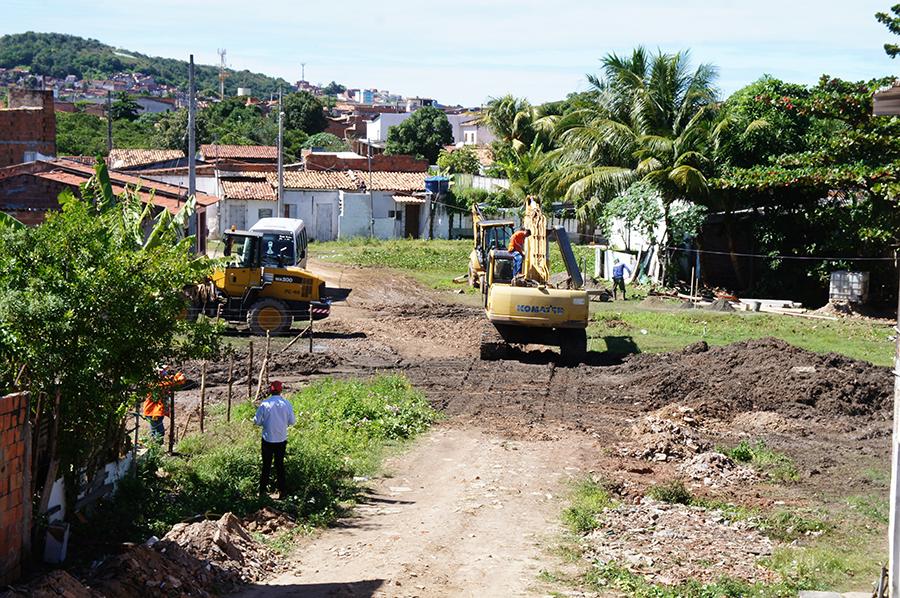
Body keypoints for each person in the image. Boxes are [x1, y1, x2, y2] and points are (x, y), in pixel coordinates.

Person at [254, 380, 296, 499]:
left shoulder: (265, 404)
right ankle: (282, 492)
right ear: (280, 390)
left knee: (266, 466)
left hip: (267, 439)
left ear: (270, 391)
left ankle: (262, 492)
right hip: (281, 439)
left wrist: (264, 423)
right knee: (280, 466)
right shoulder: (286, 404)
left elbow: (257, 421)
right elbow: (292, 421)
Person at [141, 365, 185, 442]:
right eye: (162, 371)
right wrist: (177, 380)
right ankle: (156, 446)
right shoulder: (153, 382)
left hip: (158, 411)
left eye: (164, 370)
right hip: (152, 412)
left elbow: (171, 381)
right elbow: (165, 384)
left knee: (156, 431)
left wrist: (178, 376)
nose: (164, 372)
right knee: (159, 432)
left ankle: (154, 446)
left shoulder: (163, 380)